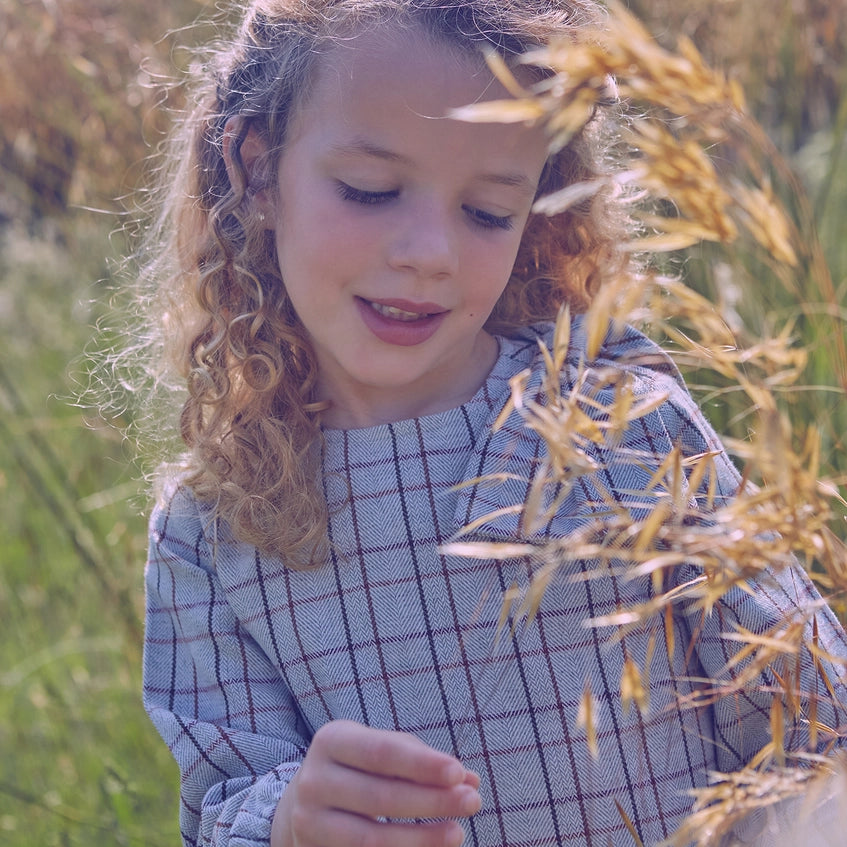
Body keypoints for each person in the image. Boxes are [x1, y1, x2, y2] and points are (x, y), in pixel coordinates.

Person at [138, 1, 847, 845]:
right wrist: (288, 818)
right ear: (257, 171)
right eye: (370, 190)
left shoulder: (615, 424)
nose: (428, 251)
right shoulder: (214, 527)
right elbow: (222, 801)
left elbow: (810, 722)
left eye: (487, 212)